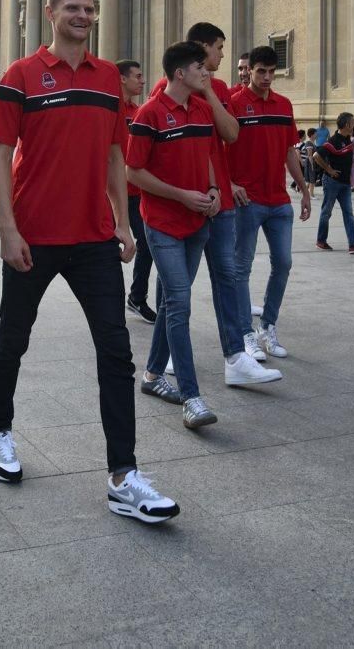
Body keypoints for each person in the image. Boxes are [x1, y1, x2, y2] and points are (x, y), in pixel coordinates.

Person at [0, 0, 180, 525]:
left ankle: (123, 475)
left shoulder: (109, 78)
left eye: (89, 9)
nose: (82, 16)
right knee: (12, 342)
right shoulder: (20, 75)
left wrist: (122, 222)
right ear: (50, 13)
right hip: (34, 236)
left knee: (116, 353)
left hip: (93, 237)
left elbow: (117, 154)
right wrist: (7, 229)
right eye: (72, 7)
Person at [149, 23, 281, 388]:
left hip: (218, 198)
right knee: (178, 287)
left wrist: (207, 91)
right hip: (186, 204)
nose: (223, 55)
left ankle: (235, 356)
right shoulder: (167, 89)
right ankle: (170, 354)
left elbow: (230, 133)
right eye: (219, 48)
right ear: (202, 48)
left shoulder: (218, 88)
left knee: (226, 275)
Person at [128, 41, 225, 428]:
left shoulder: (202, 108)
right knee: (181, 304)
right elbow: (133, 172)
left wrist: (214, 190)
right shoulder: (149, 114)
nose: (207, 73)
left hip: (198, 224)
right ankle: (192, 397)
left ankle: (152, 376)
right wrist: (181, 195)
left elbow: (206, 157)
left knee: (171, 301)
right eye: (201, 67)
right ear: (180, 73)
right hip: (163, 224)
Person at [230, 46, 311, 361]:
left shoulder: (283, 104)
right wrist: (231, 184)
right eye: (259, 71)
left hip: (278, 201)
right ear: (249, 70)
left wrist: (303, 189)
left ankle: (267, 325)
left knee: (284, 263)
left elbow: (290, 150)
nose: (265, 77)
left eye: (270, 72)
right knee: (241, 268)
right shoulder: (234, 104)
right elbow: (218, 149)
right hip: (247, 201)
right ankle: (244, 333)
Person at [116, 58, 156, 324]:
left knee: (147, 244)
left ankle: (137, 297)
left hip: (136, 192)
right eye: (138, 76)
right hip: (109, 192)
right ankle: (110, 303)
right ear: (122, 78)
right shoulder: (108, 108)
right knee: (108, 249)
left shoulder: (139, 111)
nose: (142, 81)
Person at [313, 113, 354, 254]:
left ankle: (353, 244)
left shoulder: (349, 141)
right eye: (353, 122)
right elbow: (316, 156)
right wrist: (329, 170)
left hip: (345, 184)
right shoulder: (332, 141)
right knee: (327, 212)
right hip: (332, 182)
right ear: (347, 125)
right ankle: (321, 241)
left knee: (349, 213)